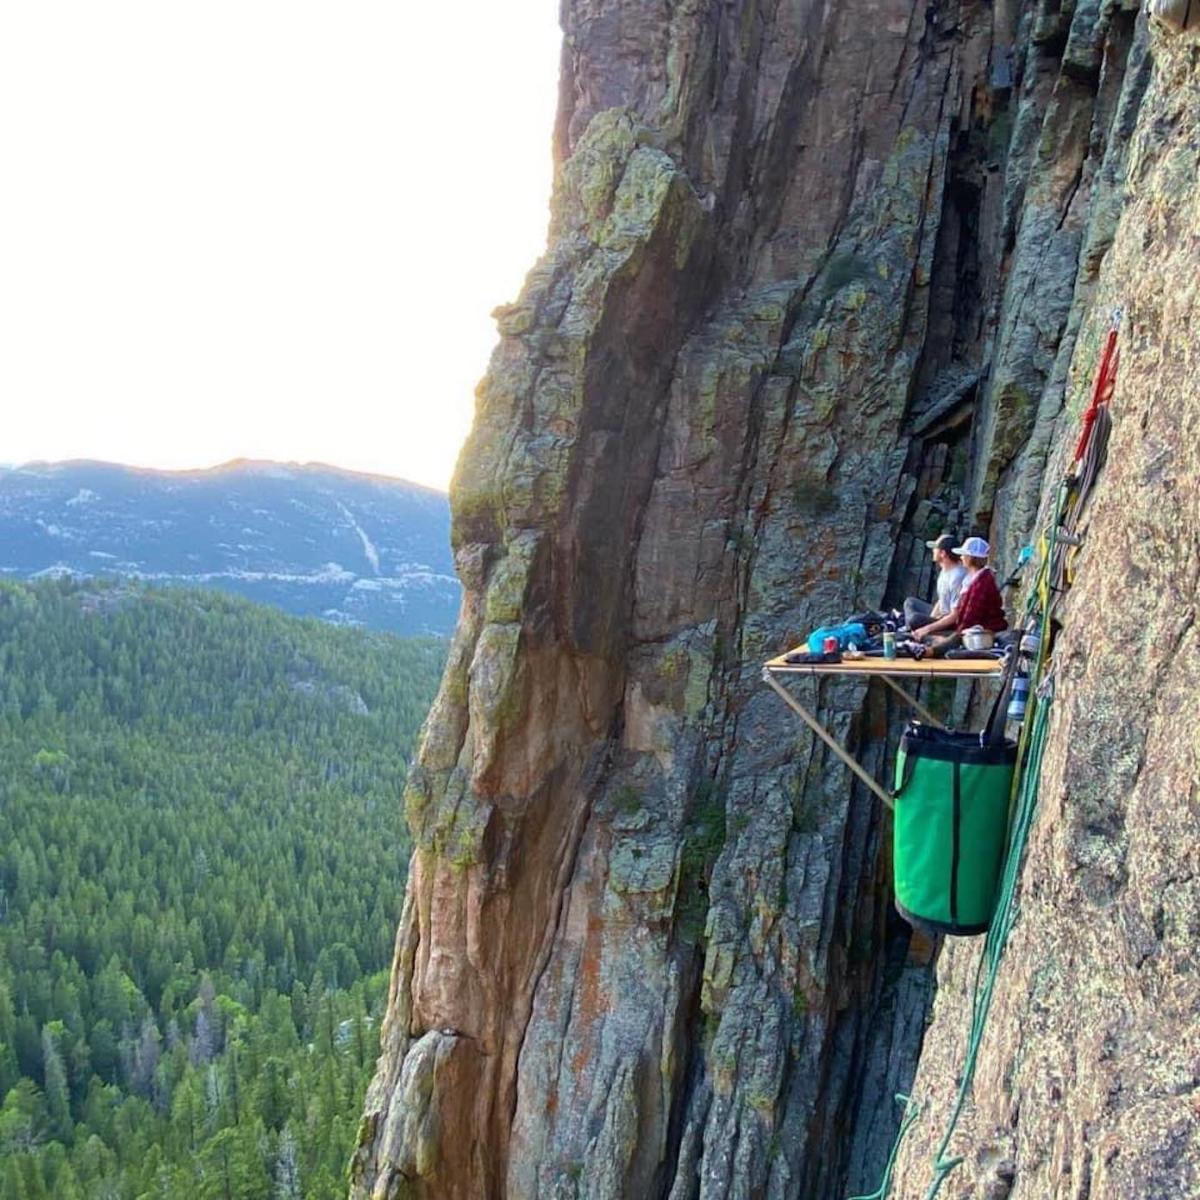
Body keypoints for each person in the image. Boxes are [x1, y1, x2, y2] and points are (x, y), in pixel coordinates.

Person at [911, 536, 1007, 647]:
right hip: (964, 627)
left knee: (928, 635)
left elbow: (968, 621)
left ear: (971, 557)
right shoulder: (972, 578)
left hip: (980, 631)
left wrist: (936, 632)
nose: (961, 557)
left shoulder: (981, 583)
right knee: (924, 631)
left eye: (964, 554)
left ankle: (931, 648)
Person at [904, 534, 967, 634]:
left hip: (950, 622)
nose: (933, 551)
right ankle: (912, 631)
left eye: (935, 548)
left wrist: (928, 627)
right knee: (910, 602)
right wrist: (931, 618)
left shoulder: (957, 576)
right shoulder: (944, 570)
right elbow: (942, 599)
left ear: (943, 553)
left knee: (914, 619)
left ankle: (913, 632)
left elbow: (956, 614)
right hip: (940, 615)